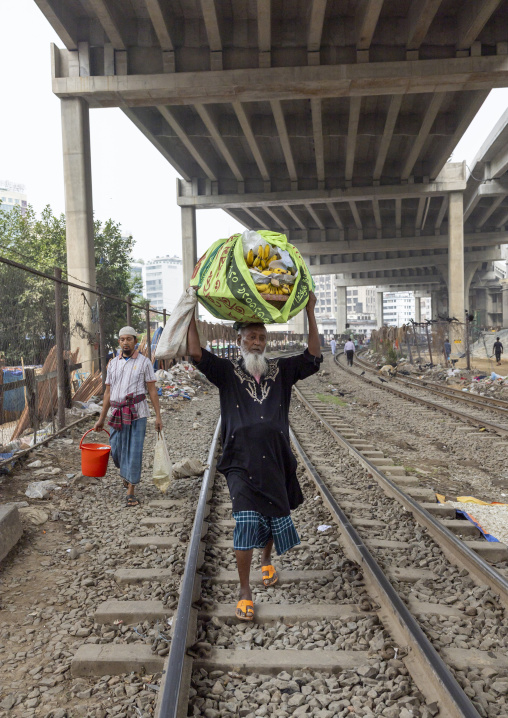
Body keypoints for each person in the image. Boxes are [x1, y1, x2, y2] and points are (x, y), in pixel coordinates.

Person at [186, 293, 322, 621]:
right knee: (246, 521)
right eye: (251, 337)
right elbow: (194, 352)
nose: (257, 342)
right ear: (239, 341)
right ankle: (245, 590)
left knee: (274, 517)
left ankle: (266, 561)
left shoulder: (282, 369)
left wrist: (310, 311)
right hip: (239, 460)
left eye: (261, 337)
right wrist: (190, 309)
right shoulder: (226, 371)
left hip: (276, 457)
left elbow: (314, 356)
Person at [93, 327, 162, 507]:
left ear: (135, 341)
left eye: (129, 339)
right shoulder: (112, 364)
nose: (125, 342)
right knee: (115, 450)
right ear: (119, 342)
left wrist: (158, 417)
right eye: (122, 339)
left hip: (137, 412)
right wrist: (101, 419)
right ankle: (126, 472)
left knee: (134, 451)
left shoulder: (145, 362)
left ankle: (131, 490)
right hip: (116, 412)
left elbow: (152, 391)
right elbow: (107, 393)